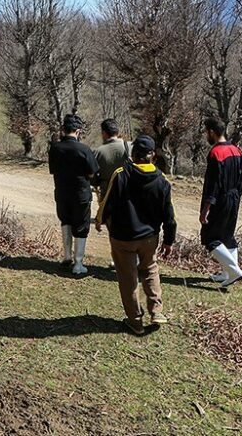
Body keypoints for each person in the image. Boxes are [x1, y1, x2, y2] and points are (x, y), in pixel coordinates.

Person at [96, 135, 176, 335]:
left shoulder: (121, 174)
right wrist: (169, 240)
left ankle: (135, 321)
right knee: (150, 268)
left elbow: (108, 202)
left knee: (128, 277)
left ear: (133, 155)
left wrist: (100, 219)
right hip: (149, 237)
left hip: (123, 236)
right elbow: (169, 215)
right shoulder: (162, 180)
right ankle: (156, 310)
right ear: (153, 157)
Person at [48, 114, 99, 275]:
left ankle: (67, 256)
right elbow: (92, 173)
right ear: (78, 131)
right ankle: (78, 263)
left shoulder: (55, 148)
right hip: (81, 194)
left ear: (63, 130)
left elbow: (52, 170)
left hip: (62, 192)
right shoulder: (84, 149)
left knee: (66, 221)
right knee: (82, 227)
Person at [200, 117, 242, 288]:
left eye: (206, 132)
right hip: (234, 197)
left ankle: (234, 271)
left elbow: (213, 184)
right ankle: (227, 273)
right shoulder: (237, 150)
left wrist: (206, 208)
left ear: (212, 132)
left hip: (220, 199)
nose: (206, 135)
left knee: (210, 238)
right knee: (227, 236)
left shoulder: (215, 153)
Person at [93, 118, 130, 201]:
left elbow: (93, 177)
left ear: (104, 133)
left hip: (107, 195)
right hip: (127, 193)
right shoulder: (129, 147)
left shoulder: (98, 151)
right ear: (118, 131)